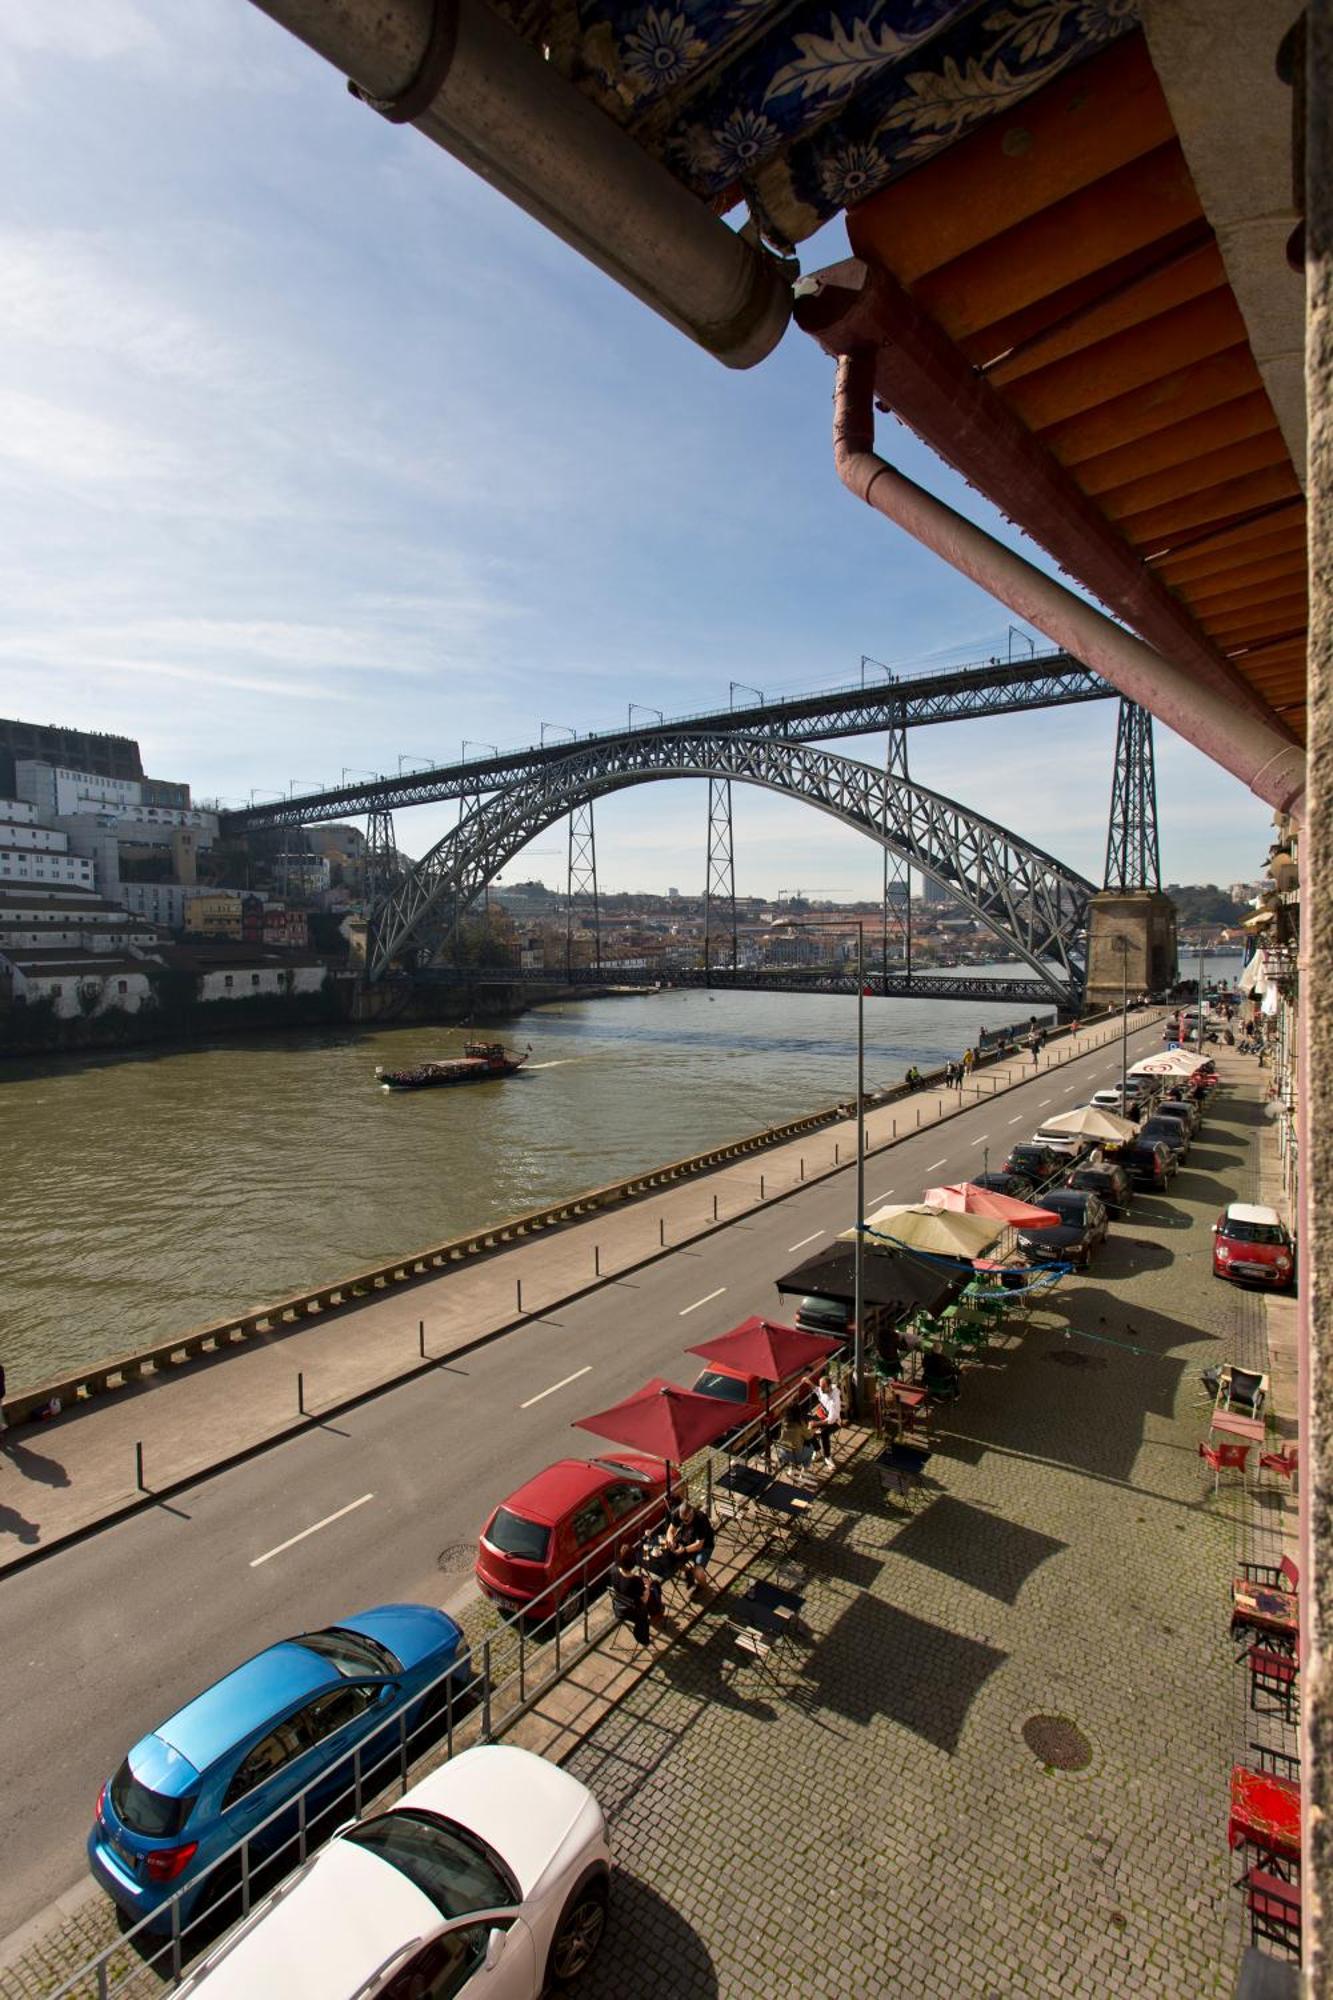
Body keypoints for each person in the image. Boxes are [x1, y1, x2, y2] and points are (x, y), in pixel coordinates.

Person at [610, 1540, 661, 1646]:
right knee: (655, 1587)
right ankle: (656, 1613)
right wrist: (647, 1585)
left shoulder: (614, 1571)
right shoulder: (635, 1581)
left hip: (619, 1608)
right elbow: (644, 1600)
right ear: (633, 1563)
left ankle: (656, 1612)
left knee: (650, 1589)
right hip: (635, 1613)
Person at [665, 1497, 715, 1592]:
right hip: (686, 1541)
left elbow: (699, 1545)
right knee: (670, 1560)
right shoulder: (678, 1514)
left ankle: (706, 1589)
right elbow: (670, 1531)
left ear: (691, 1513)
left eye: (686, 1520)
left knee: (698, 1572)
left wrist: (683, 1550)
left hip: (704, 1546)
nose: (683, 1522)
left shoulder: (701, 1519)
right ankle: (689, 1572)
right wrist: (671, 1541)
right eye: (682, 1520)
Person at [806, 1372, 842, 1465]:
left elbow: (831, 1420)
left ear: (829, 1386)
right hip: (822, 1415)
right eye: (820, 1386)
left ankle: (827, 1456)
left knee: (824, 1433)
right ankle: (817, 1450)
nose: (821, 1389)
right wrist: (808, 1382)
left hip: (834, 1422)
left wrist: (815, 1424)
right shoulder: (823, 1389)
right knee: (805, 1426)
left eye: (823, 1387)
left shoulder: (834, 1401)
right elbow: (817, 1390)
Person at [778, 1405, 814, 1475]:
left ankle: (792, 1468)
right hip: (795, 1457)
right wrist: (810, 1427)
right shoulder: (799, 1425)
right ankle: (804, 1471)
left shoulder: (784, 1423)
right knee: (811, 1448)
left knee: (793, 1446)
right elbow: (809, 1437)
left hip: (783, 1454)